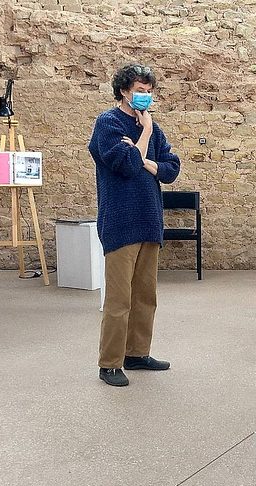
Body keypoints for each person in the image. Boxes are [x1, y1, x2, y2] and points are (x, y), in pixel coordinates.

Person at [88, 64, 181, 386]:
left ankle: (137, 353)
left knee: (145, 295)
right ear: (124, 91)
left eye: (148, 90)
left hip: (149, 218)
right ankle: (110, 363)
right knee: (119, 299)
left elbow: (171, 169)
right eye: (139, 90)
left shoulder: (154, 128)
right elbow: (126, 166)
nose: (145, 96)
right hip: (121, 220)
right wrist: (144, 133)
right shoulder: (108, 124)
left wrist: (147, 158)